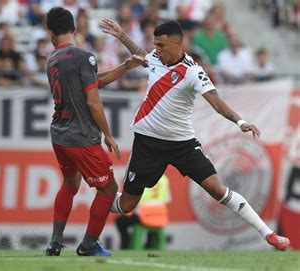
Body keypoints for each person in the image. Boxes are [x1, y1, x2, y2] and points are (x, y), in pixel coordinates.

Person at [99, 19, 290, 250]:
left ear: (178, 43)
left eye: (161, 45)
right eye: (155, 45)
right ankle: (101, 201)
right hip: (147, 143)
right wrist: (121, 35)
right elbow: (142, 55)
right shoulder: (157, 58)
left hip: (181, 144)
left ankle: (269, 234)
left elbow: (216, 102)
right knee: (127, 205)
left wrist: (240, 121)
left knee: (217, 188)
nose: (157, 50)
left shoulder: (192, 72)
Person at [44, 7, 146, 257]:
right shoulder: (83, 56)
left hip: (59, 134)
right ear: (75, 30)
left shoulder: (52, 59)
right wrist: (108, 135)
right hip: (82, 137)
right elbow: (93, 100)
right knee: (109, 190)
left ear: (50, 34)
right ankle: (89, 245)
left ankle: (55, 242)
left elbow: (90, 80)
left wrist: (124, 67)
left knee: (70, 183)